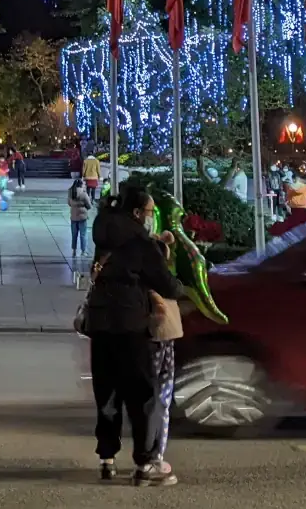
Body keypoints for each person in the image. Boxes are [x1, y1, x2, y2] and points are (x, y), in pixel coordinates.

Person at [83, 182, 187, 486]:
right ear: (137, 212)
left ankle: (107, 459)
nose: (151, 216)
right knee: (142, 395)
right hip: (130, 324)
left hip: (100, 323)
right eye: (150, 212)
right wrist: (182, 287)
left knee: (107, 393)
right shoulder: (140, 242)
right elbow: (166, 283)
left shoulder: (105, 235)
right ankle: (144, 465)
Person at [67, 177, 94, 260]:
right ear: (81, 185)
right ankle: (83, 251)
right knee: (83, 234)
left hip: (73, 217)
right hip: (82, 217)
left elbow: (69, 203)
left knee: (74, 234)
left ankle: (74, 251)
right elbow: (89, 206)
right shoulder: (84, 194)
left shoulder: (70, 192)